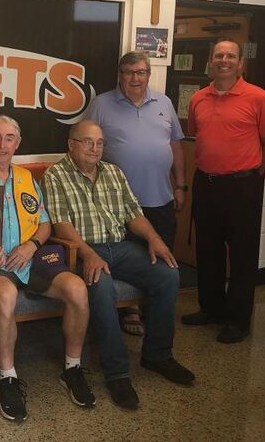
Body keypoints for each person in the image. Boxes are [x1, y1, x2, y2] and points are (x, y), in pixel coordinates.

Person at [41, 120, 195, 411]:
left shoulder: (113, 172)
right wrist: (89, 254)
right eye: (87, 142)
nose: (94, 148)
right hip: (85, 250)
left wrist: (154, 238)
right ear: (71, 144)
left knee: (168, 274)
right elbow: (61, 227)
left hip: (122, 247)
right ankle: (117, 373)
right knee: (101, 286)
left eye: (99, 143)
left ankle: (158, 355)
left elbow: (133, 215)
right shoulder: (56, 175)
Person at [0, 115, 93, 422]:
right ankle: (8, 378)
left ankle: (72, 369)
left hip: (30, 259)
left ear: (18, 143)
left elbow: (44, 223)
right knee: (5, 294)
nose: (2, 145)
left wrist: (31, 245)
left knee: (77, 288)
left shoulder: (27, 178)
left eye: (9, 138)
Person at [183, 39, 265, 344]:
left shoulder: (260, 98)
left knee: (242, 254)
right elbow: (198, 135)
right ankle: (210, 309)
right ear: (210, 62)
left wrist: (251, 173)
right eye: (218, 55)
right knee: (207, 251)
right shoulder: (198, 98)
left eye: (231, 56)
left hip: (242, 186)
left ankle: (238, 320)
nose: (224, 60)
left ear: (241, 64)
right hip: (206, 183)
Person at [86, 51, 186, 336]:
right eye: (129, 72)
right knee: (124, 264)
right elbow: (84, 144)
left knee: (162, 263)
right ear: (120, 74)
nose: (135, 78)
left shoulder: (164, 103)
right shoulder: (102, 104)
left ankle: (155, 324)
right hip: (117, 206)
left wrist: (181, 184)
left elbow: (176, 146)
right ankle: (127, 312)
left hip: (161, 200)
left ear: (148, 74)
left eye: (140, 72)